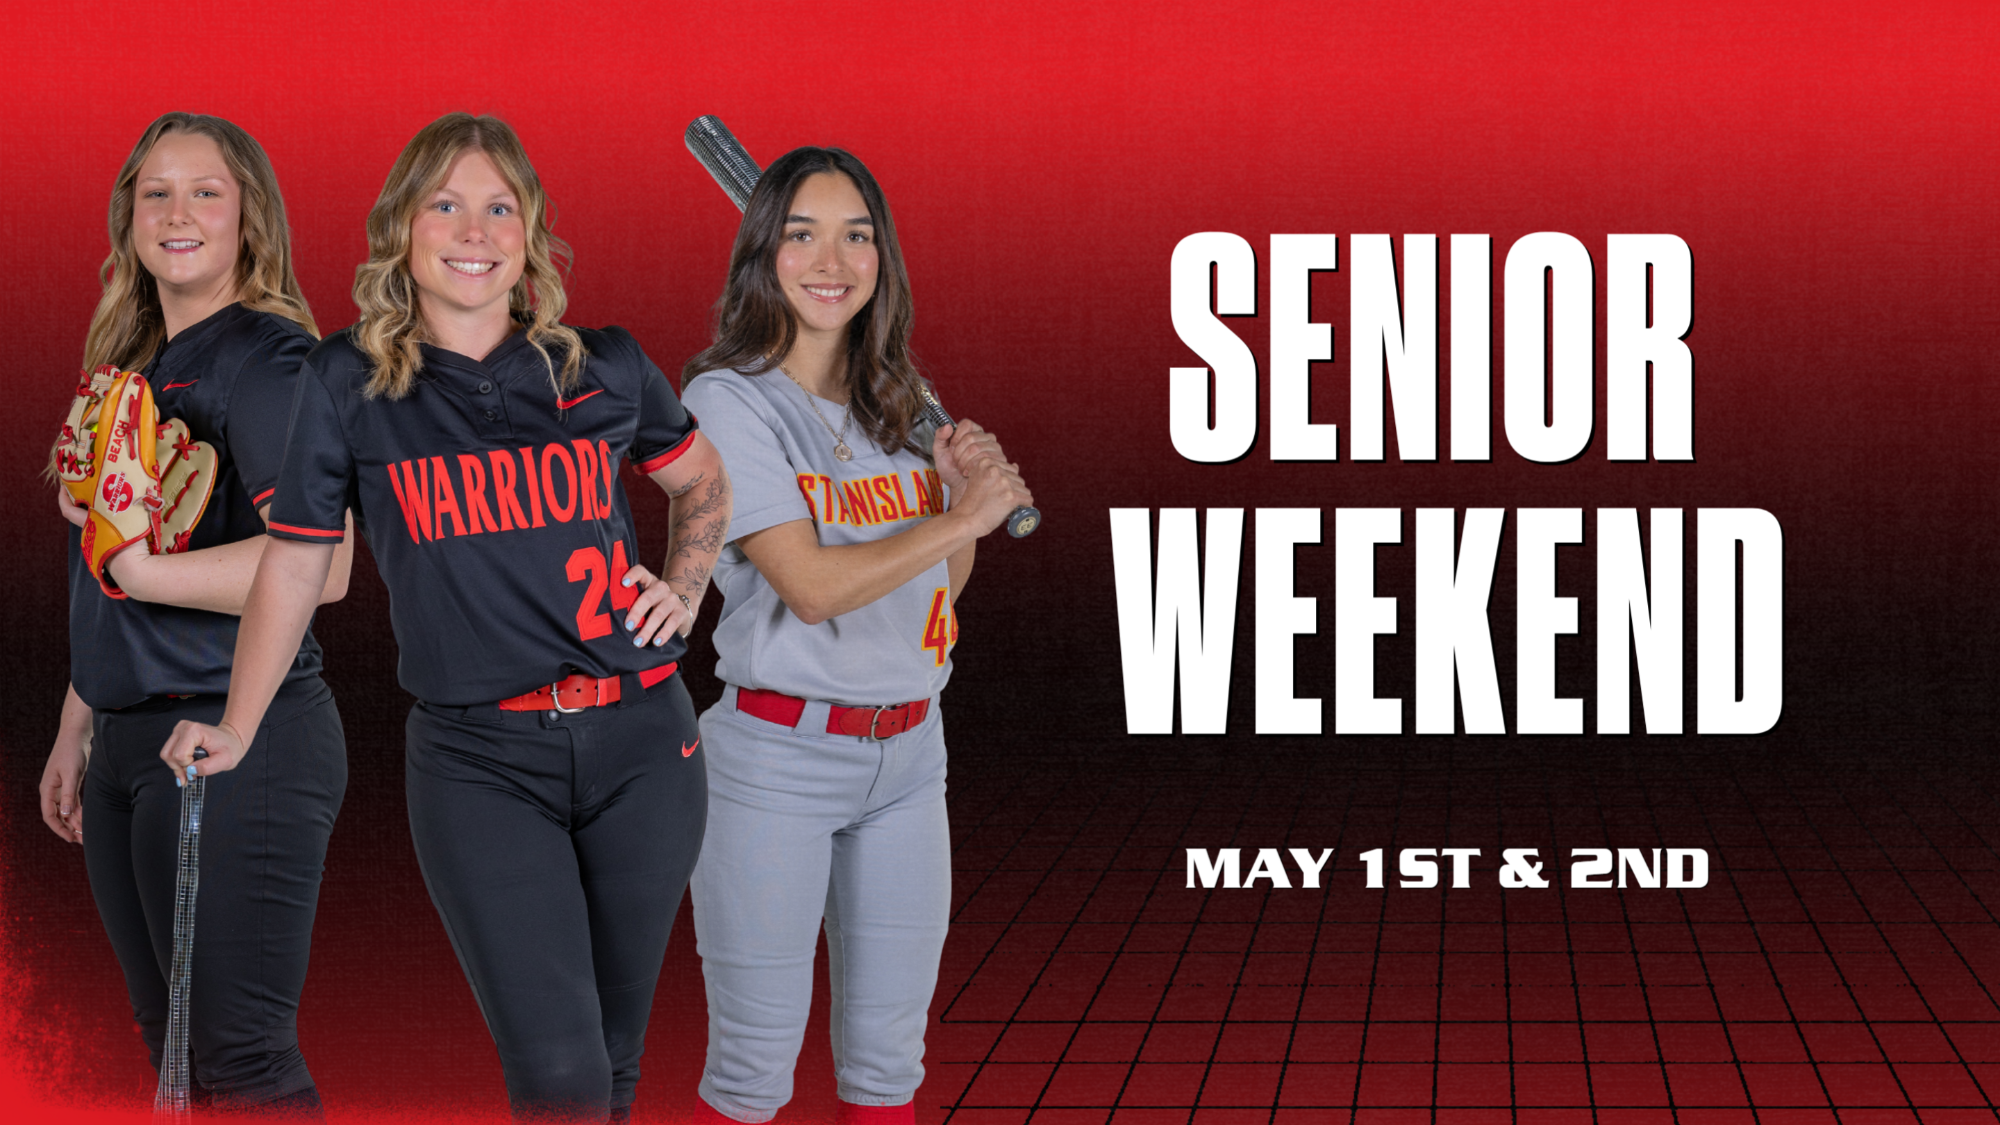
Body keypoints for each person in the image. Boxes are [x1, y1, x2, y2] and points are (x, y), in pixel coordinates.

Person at [158, 112, 731, 1123]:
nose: (474, 228)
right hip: (478, 762)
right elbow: (295, 567)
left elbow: (701, 481)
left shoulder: (602, 364)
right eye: (446, 204)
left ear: (529, 234)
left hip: (646, 743)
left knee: (615, 1061)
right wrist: (239, 726)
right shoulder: (348, 382)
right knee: (560, 1082)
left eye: (499, 206)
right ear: (403, 232)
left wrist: (682, 587)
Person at [678, 147, 1033, 1125]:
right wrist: (961, 517)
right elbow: (810, 588)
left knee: (886, 1068)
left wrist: (958, 500)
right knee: (755, 1072)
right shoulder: (728, 401)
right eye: (800, 233)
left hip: (911, 754)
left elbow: (934, 595)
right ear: (763, 253)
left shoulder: (897, 407)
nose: (829, 258)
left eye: (855, 234)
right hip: (775, 758)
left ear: (883, 258)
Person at [39, 112, 353, 1116]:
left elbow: (327, 564)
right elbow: (99, 560)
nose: (177, 212)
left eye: (205, 191)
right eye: (155, 193)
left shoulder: (266, 359)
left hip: (231, 735)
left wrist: (143, 572)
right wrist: (77, 720)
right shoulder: (133, 363)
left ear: (249, 219)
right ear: (128, 219)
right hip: (133, 739)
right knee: (172, 1054)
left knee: (237, 1058)